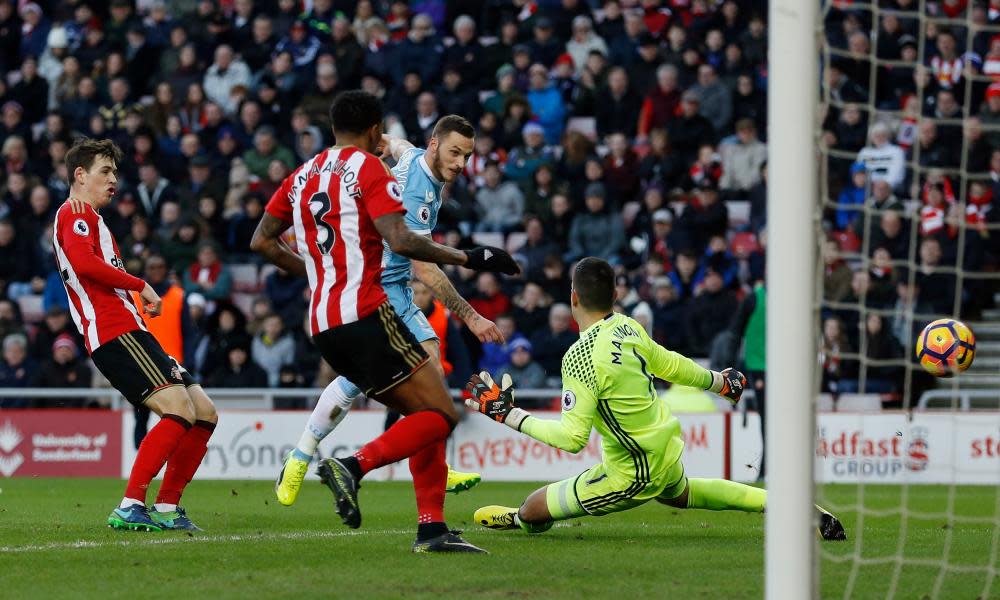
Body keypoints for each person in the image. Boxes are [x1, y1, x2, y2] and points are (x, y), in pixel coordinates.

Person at [250, 91, 519, 553]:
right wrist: (469, 259)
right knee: (440, 413)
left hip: (321, 319)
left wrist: (318, 273)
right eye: (455, 152)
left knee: (424, 403)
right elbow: (405, 243)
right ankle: (351, 467)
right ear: (372, 130)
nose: (460, 162)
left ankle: (430, 528)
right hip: (372, 304)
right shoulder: (374, 172)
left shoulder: (301, 174)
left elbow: (262, 241)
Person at [466, 257, 846, 542]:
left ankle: (523, 520)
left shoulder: (579, 357)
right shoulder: (628, 325)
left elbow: (572, 438)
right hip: (664, 450)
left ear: (573, 298)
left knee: (533, 508)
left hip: (632, 473)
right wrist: (718, 382)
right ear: (615, 296)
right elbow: (669, 363)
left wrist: (509, 415)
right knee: (682, 495)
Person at [53, 138, 218, 532]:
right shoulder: (74, 213)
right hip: (114, 332)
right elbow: (83, 263)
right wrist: (140, 283)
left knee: (205, 413)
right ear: (80, 175)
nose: (114, 180)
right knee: (178, 409)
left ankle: (165, 506)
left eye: (115, 172)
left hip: (133, 330)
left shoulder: (93, 217)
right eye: (105, 171)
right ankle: (131, 504)